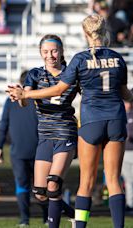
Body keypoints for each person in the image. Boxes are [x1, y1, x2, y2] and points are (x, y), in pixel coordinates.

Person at [6, 14, 133, 228]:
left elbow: (59, 88)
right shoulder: (118, 58)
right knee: (114, 181)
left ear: (85, 34)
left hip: (91, 122)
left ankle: (80, 225)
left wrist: (26, 95)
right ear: (104, 31)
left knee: (86, 183)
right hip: (116, 119)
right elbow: (125, 94)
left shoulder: (80, 59)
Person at [18, 34, 78, 227]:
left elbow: (90, 93)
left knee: (53, 184)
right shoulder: (35, 74)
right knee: (40, 193)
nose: (50, 55)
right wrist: (18, 95)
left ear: (61, 52)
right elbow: (24, 100)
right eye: (45, 51)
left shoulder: (72, 74)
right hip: (45, 136)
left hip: (65, 134)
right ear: (40, 53)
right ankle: (75, 214)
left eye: (54, 51)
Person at [0, 71, 48, 226]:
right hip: (31, 151)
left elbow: (3, 124)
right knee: (37, 187)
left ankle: (28, 219)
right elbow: (4, 123)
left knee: (28, 186)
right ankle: (39, 218)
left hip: (31, 151)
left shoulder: (38, 101)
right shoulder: (36, 100)